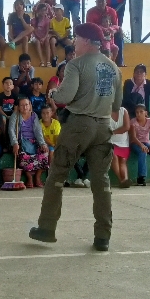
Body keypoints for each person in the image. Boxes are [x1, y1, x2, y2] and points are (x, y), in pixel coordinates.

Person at [29, 23, 120, 252]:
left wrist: (53, 93)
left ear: (87, 41)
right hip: (103, 126)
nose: (74, 42)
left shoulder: (76, 65)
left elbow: (65, 96)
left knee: (57, 175)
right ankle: (103, 236)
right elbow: (116, 105)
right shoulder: (113, 67)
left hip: (79, 124)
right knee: (101, 181)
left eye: (77, 39)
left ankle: (47, 227)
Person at [9, 98, 49, 188]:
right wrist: (15, 143)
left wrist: (42, 143)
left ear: (30, 105)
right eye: (22, 105)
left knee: (45, 152)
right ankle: (29, 178)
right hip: (21, 142)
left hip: (34, 142)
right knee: (23, 155)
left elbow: (38, 131)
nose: (25, 107)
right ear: (18, 107)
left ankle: (37, 177)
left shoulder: (34, 115)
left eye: (26, 105)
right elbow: (11, 130)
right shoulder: (15, 115)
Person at [129, 105, 150, 186]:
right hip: (136, 143)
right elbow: (133, 137)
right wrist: (141, 145)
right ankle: (141, 177)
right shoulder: (133, 121)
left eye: (141, 112)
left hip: (146, 143)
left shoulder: (149, 121)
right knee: (143, 152)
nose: (139, 114)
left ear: (145, 113)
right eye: (137, 112)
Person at [108, 104, 131, 188]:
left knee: (123, 160)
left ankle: (125, 179)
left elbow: (127, 127)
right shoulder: (106, 112)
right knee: (114, 156)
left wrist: (113, 132)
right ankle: (121, 180)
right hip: (110, 141)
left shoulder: (123, 111)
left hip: (123, 142)